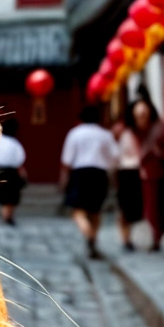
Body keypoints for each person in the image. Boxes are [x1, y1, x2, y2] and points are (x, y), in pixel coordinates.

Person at [60, 105, 119, 258]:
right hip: (99, 174)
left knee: (78, 212)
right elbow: (114, 156)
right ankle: (93, 237)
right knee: (95, 211)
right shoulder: (105, 134)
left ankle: (88, 233)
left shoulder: (75, 133)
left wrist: (64, 179)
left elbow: (67, 160)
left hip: (80, 174)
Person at [132, 86, 164, 251]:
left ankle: (158, 235)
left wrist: (159, 150)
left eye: (143, 114)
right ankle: (156, 237)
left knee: (160, 206)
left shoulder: (159, 127)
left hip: (161, 171)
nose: (141, 117)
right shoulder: (139, 131)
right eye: (139, 116)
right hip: (149, 173)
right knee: (152, 208)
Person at [115, 104, 143, 250]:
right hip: (127, 172)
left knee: (131, 208)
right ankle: (126, 238)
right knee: (125, 208)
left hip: (134, 171)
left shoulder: (138, 133)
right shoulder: (125, 134)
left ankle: (128, 238)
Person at [0, 116, 27, 225]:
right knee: (11, 196)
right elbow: (19, 160)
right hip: (11, 173)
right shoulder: (15, 144)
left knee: (5, 195)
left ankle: (7, 216)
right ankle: (8, 216)